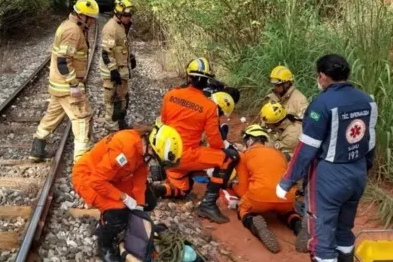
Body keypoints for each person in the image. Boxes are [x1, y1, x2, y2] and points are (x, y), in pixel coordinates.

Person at [277, 54, 377, 262]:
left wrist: (287, 181)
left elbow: (306, 149)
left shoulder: (321, 104)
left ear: (322, 76)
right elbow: (370, 143)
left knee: (322, 236)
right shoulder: (367, 100)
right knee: (344, 229)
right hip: (357, 173)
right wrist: (362, 169)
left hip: (329, 177)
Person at [72, 124, 184, 262]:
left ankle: (127, 223)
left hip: (113, 177)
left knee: (149, 200)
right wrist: (123, 197)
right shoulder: (124, 150)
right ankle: (104, 242)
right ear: (151, 148)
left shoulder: (142, 147)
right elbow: (97, 181)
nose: (154, 161)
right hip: (88, 177)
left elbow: (139, 177)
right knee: (118, 211)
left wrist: (140, 206)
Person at [152, 58, 240, 223]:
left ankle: (160, 188)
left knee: (184, 189)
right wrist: (224, 146)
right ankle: (208, 204)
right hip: (186, 156)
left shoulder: (171, 95)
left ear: (188, 77)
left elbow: (163, 123)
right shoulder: (209, 107)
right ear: (207, 81)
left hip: (164, 154)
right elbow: (215, 143)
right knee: (229, 157)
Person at [29, 0, 100, 164]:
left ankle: (37, 149)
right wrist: (74, 84)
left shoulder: (68, 26)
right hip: (67, 86)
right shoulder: (73, 31)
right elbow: (63, 60)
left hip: (59, 86)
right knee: (82, 118)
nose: (92, 23)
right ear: (82, 16)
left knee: (52, 116)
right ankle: (81, 163)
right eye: (91, 19)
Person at [227, 124, 304, 253]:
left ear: (250, 140)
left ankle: (254, 223)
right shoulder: (279, 154)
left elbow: (242, 190)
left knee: (244, 209)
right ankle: (297, 225)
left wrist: (231, 185)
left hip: (259, 198)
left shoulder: (245, 156)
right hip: (286, 197)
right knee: (288, 212)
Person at [100, 0, 136, 131]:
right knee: (111, 99)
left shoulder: (122, 26)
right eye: (127, 15)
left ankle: (120, 122)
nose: (129, 18)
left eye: (130, 15)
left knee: (123, 97)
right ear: (119, 14)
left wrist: (130, 57)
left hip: (122, 69)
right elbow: (106, 53)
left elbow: (122, 46)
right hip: (113, 71)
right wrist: (113, 71)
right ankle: (112, 127)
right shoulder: (111, 28)